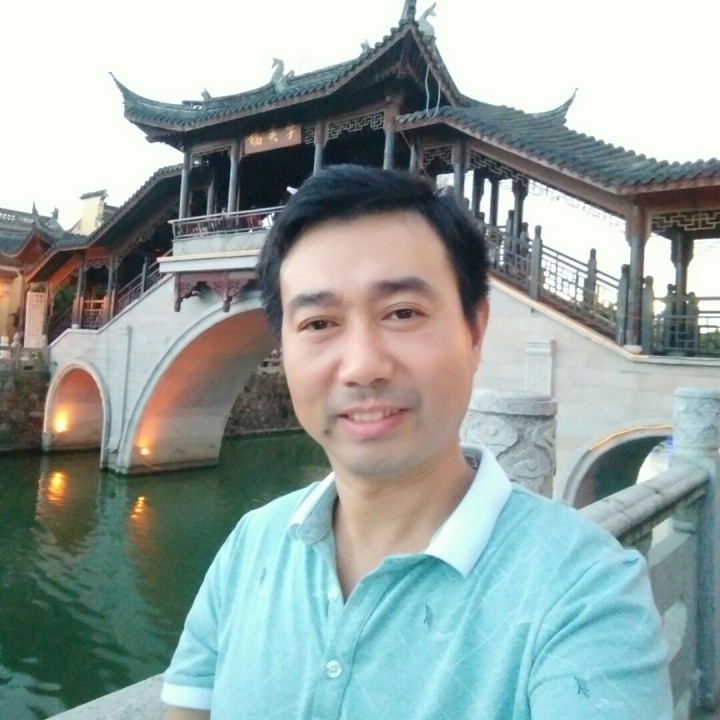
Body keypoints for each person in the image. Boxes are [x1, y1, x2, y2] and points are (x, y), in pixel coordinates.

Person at [161, 164, 672, 719]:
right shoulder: (251, 545)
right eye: (318, 324)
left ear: (474, 331)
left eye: (402, 313)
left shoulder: (585, 591)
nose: (362, 366)